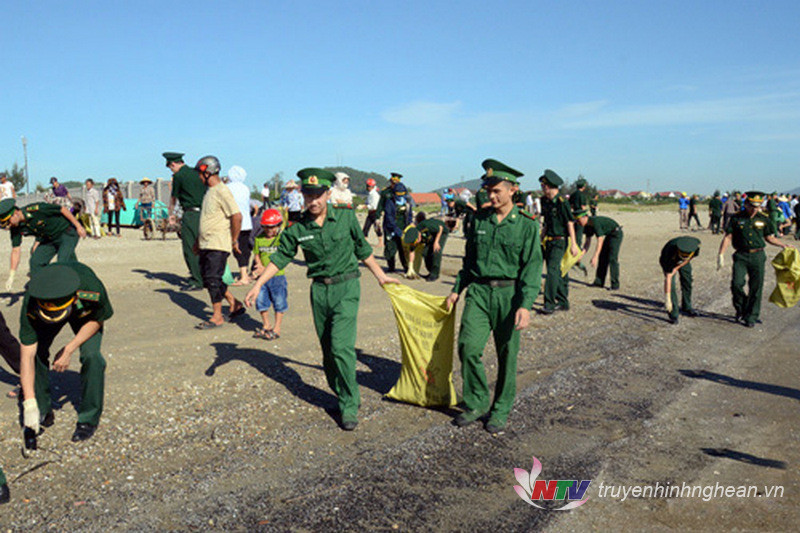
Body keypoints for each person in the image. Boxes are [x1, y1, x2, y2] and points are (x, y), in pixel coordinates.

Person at [244, 168, 399, 430]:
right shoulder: (298, 228)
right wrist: (258, 284)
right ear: (302, 196)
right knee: (328, 351)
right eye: (308, 195)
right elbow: (280, 257)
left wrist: (381, 276)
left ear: (328, 194)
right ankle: (341, 392)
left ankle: (349, 403)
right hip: (319, 291)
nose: (313, 201)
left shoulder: (346, 217)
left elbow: (362, 249)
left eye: (318, 195)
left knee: (341, 347)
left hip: (347, 286)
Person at [446, 159, 542, 433]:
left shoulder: (526, 225)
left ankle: (500, 409)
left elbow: (532, 268)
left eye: (497, 190)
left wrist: (526, 305)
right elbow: (469, 261)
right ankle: (477, 403)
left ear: (513, 190)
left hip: (509, 295)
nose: (492, 196)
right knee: (468, 347)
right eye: (489, 190)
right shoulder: (479, 220)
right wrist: (456, 290)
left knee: (507, 355)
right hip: (478, 291)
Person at [19, 262, 113, 442]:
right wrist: (29, 403)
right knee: (37, 352)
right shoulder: (33, 299)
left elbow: (97, 319)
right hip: (47, 311)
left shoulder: (91, 289)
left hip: (84, 314)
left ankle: (88, 419)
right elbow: (27, 356)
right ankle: (42, 410)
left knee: (92, 356)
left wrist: (69, 349)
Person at [717, 191, 790, 327]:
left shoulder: (764, 219)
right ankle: (741, 308)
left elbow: (769, 237)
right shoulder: (737, 218)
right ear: (746, 204)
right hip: (741, 255)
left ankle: (751, 316)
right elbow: (728, 237)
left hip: (758, 256)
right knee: (736, 284)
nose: (755, 209)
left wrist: (783, 245)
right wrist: (721, 254)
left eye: (758, 206)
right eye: (752, 206)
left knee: (756, 287)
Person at [192, 156, 245, 329]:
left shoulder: (222, 191)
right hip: (206, 243)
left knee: (213, 279)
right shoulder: (209, 191)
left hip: (218, 243)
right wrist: (198, 242)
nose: (199, 177)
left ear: (207, 172)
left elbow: (237, 216)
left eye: (200, 174)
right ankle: (234, 303)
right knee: (209, 279)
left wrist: (234, 240)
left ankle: (217, 316)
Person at [0, 198, 87, 289]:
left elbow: (62, 209)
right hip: (49, 239)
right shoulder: (15, 227)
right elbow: (16, 250)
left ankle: (72, 286)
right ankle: (42, 288)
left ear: (15, 213)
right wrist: (11, 276)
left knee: (63, 261)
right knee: (36, 262)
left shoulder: (37, 209)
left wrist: (78, 226)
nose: (8, 226)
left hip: (66, 232)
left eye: (8, 222)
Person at [539, 170, 580, 314]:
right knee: (560, 271)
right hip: (549, 241)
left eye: (543, 186)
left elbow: (570, 223)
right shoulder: (546, 202)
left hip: (560, 241)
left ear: (548, 186)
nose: (542, 188)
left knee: (552, 271)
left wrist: (574, 244)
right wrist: (540, 238)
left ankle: (549, 303)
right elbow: (546, 223)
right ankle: (563, 301)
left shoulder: (562, 203)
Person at [164, 151, 206, 291]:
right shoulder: (197, 172)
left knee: (190, 247)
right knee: (204, 246)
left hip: (191, 214)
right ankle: (205, 276)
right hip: (205, 213)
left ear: (173, 164)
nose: (171, 170)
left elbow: (174, 198)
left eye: (170, 168)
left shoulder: (179, 176)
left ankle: (197, 280)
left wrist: (171, 214)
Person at [252, 209, 287, 340]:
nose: (269, 230)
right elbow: (257, 254)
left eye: (272, 227)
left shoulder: (281, 239)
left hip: (278, 276)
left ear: (278, 226)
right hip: (262, 277)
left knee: (279, 302)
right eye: (266, 227)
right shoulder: (259, 239)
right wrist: (259, 265)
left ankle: (277, 328)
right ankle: (266, 324)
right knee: (261, 301)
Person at [576, 211, 624, 290]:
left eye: (578, 220)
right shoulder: (586, 226)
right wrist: (580, 256)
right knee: (603, 258)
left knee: (612, 258)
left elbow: (600, 240)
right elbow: (587, 242)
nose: (578, 223)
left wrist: (595, 257)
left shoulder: (594, 223)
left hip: (616, 233)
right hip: (609, 235)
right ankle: (599, 282)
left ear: (585, 217)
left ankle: (615, 284)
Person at [660, 237, 701, 324]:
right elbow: (668, 278)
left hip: (683, 261)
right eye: (683, 255)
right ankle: (673, 313)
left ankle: (687, 306)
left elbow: (689, 258)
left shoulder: (694, 248)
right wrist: (667, 298)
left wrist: (678, 267)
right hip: (670, 260)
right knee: (672, 287)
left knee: (687, 280)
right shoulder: (668, 253)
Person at [226, 165, 255, 286]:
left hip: (233, 223)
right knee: (245, 248)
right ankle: (245, 273)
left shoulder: (227, 188)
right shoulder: (245, 188)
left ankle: (243, 276)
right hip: (246, 222)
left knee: (236, 249)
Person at [404, 212, 449, 281]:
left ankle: (435, 274)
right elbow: (411, 251)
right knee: (425, 252)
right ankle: (431, 271)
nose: (417, 243)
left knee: (436, 251)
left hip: (441, 231)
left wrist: (436, 242)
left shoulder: (426, 226)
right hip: (431, 234)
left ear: (418, 236)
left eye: (417, 241)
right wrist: (410, 267)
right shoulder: (413, 236)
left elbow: (440, 228)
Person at [382, 183, 413, 272]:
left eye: (402, 194)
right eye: (398, 194)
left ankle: (406, 268)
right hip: (390, 228)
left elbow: (409, 216)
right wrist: (395, 228)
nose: (400, 196)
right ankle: (391, 267)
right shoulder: (389, 202)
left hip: (403, 228)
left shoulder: (407, 203)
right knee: (390, 248)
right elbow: (389, 217)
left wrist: (409, 225)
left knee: (403, 249)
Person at [569, 178, 589, 247]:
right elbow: (583, 206)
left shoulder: (573, 194)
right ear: (583, 186)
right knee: (579, 234)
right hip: (580, 215)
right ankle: (577, 247)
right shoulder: (582, 195)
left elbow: (570, 205)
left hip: (574, 214)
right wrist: (586, 215)